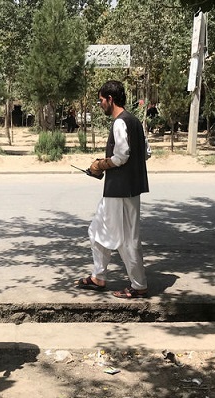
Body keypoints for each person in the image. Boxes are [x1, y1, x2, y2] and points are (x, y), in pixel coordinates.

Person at [74, 80, 150, 299]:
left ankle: (138, 285)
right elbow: (146, 153)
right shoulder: (134, 121)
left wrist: (100, 164)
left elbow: (122, 155)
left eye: (101, 101)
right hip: (124, 190)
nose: (100, 105)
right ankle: (98, 276)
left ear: (110, 99)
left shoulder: (119, 122)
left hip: (120, 192)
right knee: (97, 231)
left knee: (126, 240)